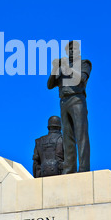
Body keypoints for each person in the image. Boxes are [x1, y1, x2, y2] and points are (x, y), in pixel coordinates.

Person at [47, 41, 92, 173]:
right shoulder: (62, 68)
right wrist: (55, 69)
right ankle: (69, 168)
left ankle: (83, 168)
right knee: (67, 137)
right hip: (64, 101)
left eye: (75, 49)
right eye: (70, 50)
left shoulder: (84, 63)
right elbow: (50, 85)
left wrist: (68, 67)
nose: (72, 52)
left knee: (81, 135)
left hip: (77, 99)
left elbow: (82, 79)